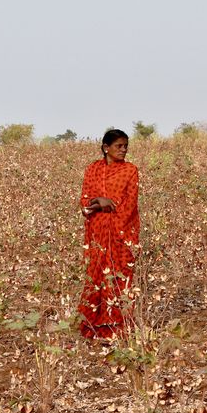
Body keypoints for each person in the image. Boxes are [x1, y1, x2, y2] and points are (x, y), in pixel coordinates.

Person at [78, 129, 140, 339]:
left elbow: (129, 204)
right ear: (106, 148)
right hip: (96, 231)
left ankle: (117, 327)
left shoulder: (130, 171)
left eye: (125, 146)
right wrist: (100, 202)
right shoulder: (92, 169)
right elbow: (85, 201)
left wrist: (101, 205)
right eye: (118, 146)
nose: (123, 150)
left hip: (120, 233)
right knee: (95, 275)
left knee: (119, 275)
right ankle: (93, 326)